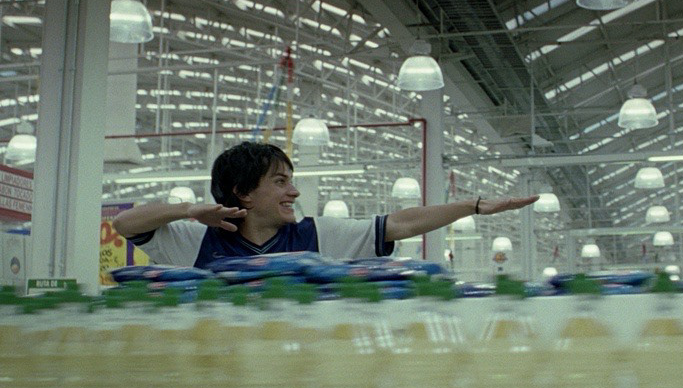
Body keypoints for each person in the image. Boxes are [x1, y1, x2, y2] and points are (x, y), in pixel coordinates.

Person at [113, 141, 538, 268]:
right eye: (280, 182)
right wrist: (189, 210)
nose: (294, 192)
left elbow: (401, 223)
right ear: (243, 192)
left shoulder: (318, 235)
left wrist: (474, 205)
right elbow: (126, 223)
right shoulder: (199, 241)